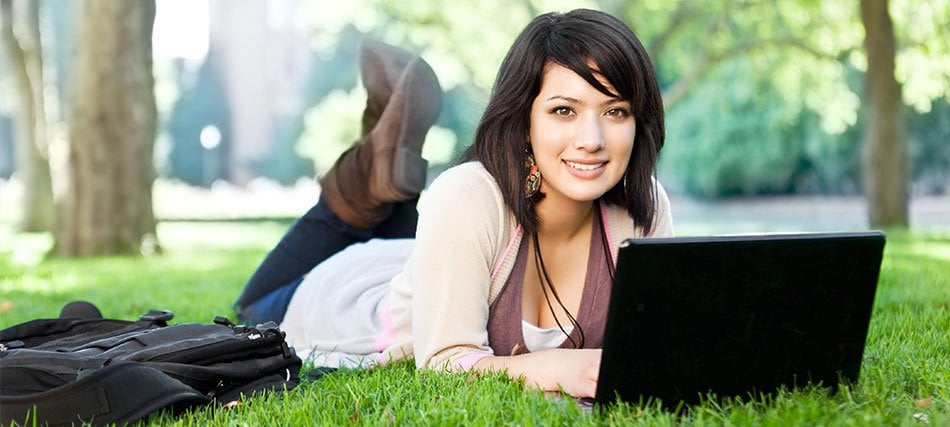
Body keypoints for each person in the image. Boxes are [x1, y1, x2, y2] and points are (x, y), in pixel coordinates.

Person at [234, 8, 673, 399]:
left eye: (616, 111)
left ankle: (384, 184)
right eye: (564, 111)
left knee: (426, 243)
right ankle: (362, 187)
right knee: (251, 308)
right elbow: (444, 363)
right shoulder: (469, 195)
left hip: (426, 261)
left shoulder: (643, 206)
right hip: (348, 298)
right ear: (523, 122)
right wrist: (559, 368)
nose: (592, 141)